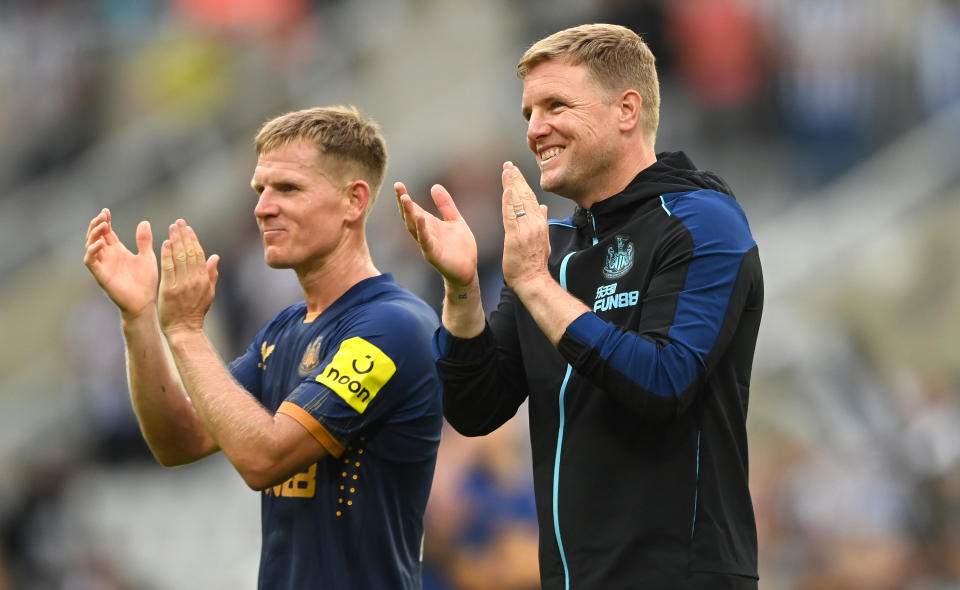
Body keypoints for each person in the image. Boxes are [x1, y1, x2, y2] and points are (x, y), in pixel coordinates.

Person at [396, 24, 763, 589]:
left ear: (626, 110)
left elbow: (665, 381)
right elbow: (476, 408)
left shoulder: (700, 221)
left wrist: (536, 286)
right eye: (527, 114)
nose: (536, 129)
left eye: (556, 106)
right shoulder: (556, 248)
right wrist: (462, 288)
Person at [84, 106, 443, 590]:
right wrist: (139, 317)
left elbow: (264, 459)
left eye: (288, 189)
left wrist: (188, 332)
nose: (262, 207)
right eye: (261, 190)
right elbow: (180, 440)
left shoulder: (392, 327)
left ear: (353, 201)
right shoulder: (283, 331)